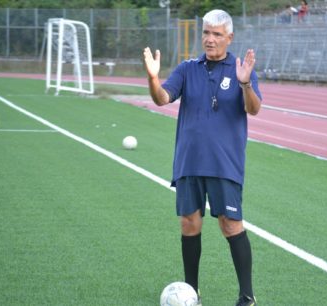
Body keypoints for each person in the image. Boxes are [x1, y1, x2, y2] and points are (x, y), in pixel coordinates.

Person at [143, 9, 262, 306]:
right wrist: (153, 78)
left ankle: (247, 296)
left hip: (224, 163)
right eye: (206, 33)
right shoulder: (187, 69)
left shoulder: (241, 70)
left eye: (217, 34)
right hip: (189, 161)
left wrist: (245, 83)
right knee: (189, 224)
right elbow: (162, 99)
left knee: (230, 224)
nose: (209, 39)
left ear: (229, 37)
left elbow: (254, 109)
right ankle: (191, 293)